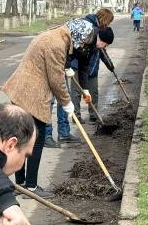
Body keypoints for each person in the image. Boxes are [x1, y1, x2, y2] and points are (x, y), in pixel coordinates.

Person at [3, 18, 97, 198]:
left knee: (22, 138)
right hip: (32, 93)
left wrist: (65, 68)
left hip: (22, 89)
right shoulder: (57, 44)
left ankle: (20, 183)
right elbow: (56, 81)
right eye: (83, 40)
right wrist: (67, 103)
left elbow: (55, 67)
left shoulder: (56, 35)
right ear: (77, 34)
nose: (82, 45)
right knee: (35, 139)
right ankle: (31, 187)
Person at [47, 8, 116, 146]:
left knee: (63, 97)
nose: (105, 47)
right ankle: (46, 135)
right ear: (101, 38)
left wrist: (86, 90)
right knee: (51, 98)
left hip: (65, 60)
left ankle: (64, 133)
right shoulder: (86, 30)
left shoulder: (92, 43)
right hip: (54, 54)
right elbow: (67, 46)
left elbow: (84, 65)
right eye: (105, 44)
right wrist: (67, 67)